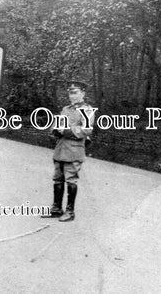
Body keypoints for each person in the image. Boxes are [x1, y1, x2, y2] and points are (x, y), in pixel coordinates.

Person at [42, 81, 95, 222]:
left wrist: (67, 130)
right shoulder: (66, 109)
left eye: (75, 92)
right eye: (70, 93)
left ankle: (70, 212)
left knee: (71, 180)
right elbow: (58, 123)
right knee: (57, 179)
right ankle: (56, 209)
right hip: (60, 149)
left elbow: (87, 129)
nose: (72, 95)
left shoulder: (87, 109)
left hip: (74, 150)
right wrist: (55, 129)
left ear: (83, 93)